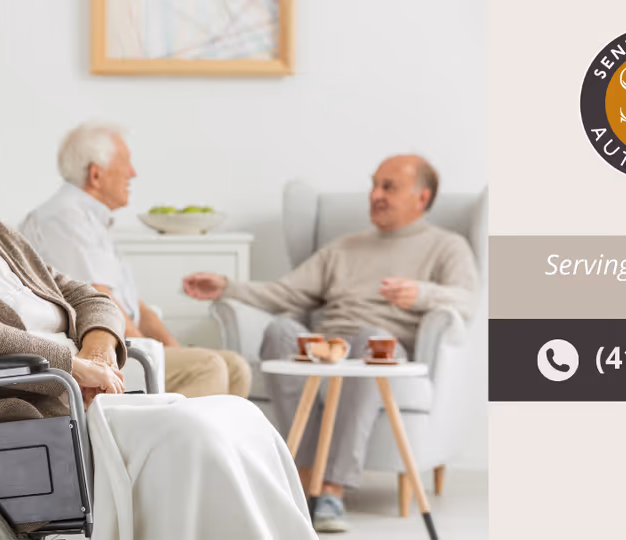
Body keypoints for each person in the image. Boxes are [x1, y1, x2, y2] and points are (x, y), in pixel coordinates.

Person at [0, 60, 314, 539]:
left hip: (71, 408)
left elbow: (87, 295)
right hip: (4, 429)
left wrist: (94, 351)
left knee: (238, 418)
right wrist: (68, 361)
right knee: (195, 438)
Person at [183, 154, 480, 532]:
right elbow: (286, 292)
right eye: (374, 185)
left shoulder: (446, 247)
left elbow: (467, 302)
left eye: (389, 187)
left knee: (370, 341)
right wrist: (229, 287)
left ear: (422, 198)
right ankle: (304, 478)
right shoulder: (345, 247)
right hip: (326, 343)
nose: (375, 195)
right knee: (281, 332)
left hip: (380, 345)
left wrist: (421, 293)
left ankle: (333, 490)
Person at [19, 122, 252, 399]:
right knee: (207, 367)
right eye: (125, 163)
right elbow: (100, 301)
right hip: (95, 355)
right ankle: (172, 441)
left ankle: (218, 444)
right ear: (96, 174)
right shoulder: (63, 218)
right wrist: (149, 354)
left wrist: (173, 350)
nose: (133, 173)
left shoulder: (92, 220)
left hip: (124, 343)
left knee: (236, 367)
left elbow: (136, 308)